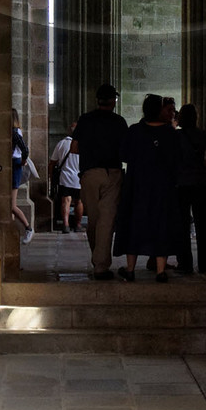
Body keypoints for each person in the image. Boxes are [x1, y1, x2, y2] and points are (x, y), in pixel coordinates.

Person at [114, 93, 182, 281]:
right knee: (161, 224)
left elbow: (124, 155)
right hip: (163, 187)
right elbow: (177, 160)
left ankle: (130, 269)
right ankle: (160, 271)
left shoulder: (135, 131)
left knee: (133, 223)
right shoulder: (170, 134)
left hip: (138, 186)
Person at [69, 84, 128, 278]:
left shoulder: (85, 120)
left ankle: (98, 259)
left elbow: (74, 148)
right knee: (107, 219)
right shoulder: (119, 122)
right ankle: (100, 265)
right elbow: (126, 151)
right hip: (112, 173)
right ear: (113, 101)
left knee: (94, 219)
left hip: (89, 174)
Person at [173, 103, 206, 275]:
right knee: (202, 226)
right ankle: (205, 264)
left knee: (182, 225)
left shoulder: (176, 136)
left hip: (181, 183)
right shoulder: (202, 135)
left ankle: (185, 263)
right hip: (200, 183)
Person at [50, 125, 84, 234]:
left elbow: (53, 162)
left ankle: (66, 224)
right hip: (79, 178)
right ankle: (78, 225)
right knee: (79, 201)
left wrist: (50, 175)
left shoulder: (62, 143)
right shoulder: (84, 144)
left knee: (66, 201)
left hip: (66, 177)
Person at [9, 110, 37, 243]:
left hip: (15, 165)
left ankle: (28, 228)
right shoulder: (15, 131)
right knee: (8, 204)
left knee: (12, 205)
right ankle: (12, 230)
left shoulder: (15, 132)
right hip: (13, 164)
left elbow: (25, 149)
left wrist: (23, 160)